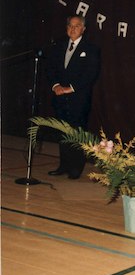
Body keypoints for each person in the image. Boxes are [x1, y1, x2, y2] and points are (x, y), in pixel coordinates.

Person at [46, 14, 101, 179]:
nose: (73, 29)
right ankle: (63, 165)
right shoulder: (58, 47)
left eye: (77, 26)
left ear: (83, 29)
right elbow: (51, 69)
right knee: (62, 132)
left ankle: (75, 168)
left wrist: (70, 88)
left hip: (78, 98)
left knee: (77, 132)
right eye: (70, 25)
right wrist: (55, 86)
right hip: (60, 98)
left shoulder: (91, 49)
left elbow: (91, 74)